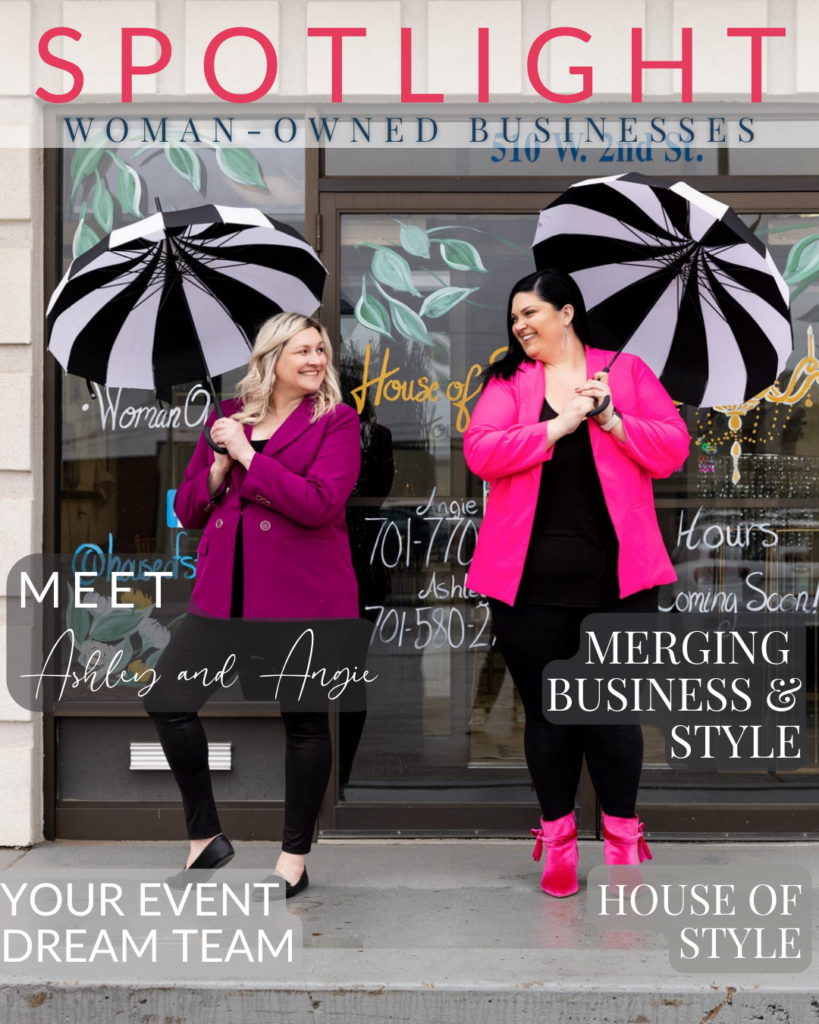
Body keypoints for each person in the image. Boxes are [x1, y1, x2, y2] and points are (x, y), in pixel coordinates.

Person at [464, 269, 690, 897]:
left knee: (614, 716)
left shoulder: (628, 373)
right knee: (548, 717)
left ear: (567, 313)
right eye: (514, 319)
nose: (520, 326)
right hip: (527, 586)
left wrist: (614, 419)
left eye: (530, 313)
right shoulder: (510, 382)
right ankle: (558, 842)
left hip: (620, 582)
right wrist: (558, 425)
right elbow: (481, 452)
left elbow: (673, 448)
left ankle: (621, 843)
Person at [143, 312, 361, 898]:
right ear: (271, 359)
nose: (317, 360)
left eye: (321, 349)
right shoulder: (224, 419)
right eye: (303, 350)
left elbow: (319, 504)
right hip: (223, 595)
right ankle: (204, 838)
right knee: (168, 698)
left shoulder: (336, 422)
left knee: (305, 722)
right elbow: (189, 511)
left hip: (302, 597)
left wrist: (247, 455)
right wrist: (218, 462)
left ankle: (293, 858)